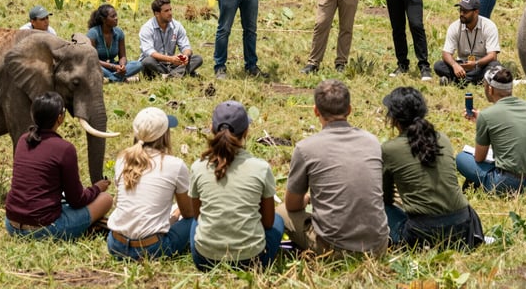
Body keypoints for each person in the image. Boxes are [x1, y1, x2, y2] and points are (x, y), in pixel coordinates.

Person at [277, 80, 388, 257]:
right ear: (350, 109)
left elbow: (292, 204)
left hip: (334, 249)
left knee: (281, 211)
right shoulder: (372, 141)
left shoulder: (306, 148)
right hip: (378, 246)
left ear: (315, 111)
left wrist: (307, 198)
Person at [382, 87, 483, 250]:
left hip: (424, 234)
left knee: (377, 207)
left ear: (393, 118)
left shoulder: (389, 149)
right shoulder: (442, 138)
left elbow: (384, 198)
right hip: (464, 225)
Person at [189, 100, 284, 271]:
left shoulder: (198, 167)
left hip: (204, 260)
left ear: (211, 128)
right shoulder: (261, 167)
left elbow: (197, 216)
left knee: (197, 223)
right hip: (252, 261)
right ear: (246, 130)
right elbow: (268, 222)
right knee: (278, 219)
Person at [5, 91, 112, 239]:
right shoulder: (64, 148)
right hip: (44, 228)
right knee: (106, 199)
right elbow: (77, 200)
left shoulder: (23, 140)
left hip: (12, 224)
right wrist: (97, 188)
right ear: (60, 118)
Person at [107, 107, 195, 261]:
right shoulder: (175, 165)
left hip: (115, 244)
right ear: (165, 135)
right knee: (197, 220)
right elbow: (188, 213)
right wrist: (174, 216)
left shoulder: (122, 160)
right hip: (152, 249)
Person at [455, 66, 526, 195]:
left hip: (507, 183)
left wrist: (482, 121)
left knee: (461, 158)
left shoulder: (487, 116)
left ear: (490, 89)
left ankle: (481, 185)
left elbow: (479, 158)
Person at [433, 0, 501, 86]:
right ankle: (479, 81)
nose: (461, 14)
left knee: (495, 66)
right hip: (462, 66)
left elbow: (492, 56)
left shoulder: (489, 26)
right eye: (460, 10)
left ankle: (456, 81)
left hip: (481, 65)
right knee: (438, 66)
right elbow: (446, 53)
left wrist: (475, 64)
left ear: (476, 12)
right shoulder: (454, 26)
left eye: (465, 11)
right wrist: (454, 65)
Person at [138, 0, 203, 78]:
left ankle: (169, 76)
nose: (170, 13)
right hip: (156, 64)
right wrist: (171, 59)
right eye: (166, 11)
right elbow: (150, 52)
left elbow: (186, 47)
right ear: (157, 14)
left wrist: (185, 56)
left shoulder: (177, 26)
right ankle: (180, 74)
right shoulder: (147, 28)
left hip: (172, 64)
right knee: (147, 61)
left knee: (197, 59)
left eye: (170, 10)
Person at [87, 4, 143, 83]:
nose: (116, 18)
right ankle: (120, 79)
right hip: (99, 65)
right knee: (93, 67)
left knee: (138, 64)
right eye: (112, 16)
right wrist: (113, 66)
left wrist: (122, 66)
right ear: (103, 19)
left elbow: (122, 56)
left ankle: (111, 78)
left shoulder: (119, 32)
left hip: (114, 66)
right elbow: (92, 59)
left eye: (116, 15)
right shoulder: (93, 33)